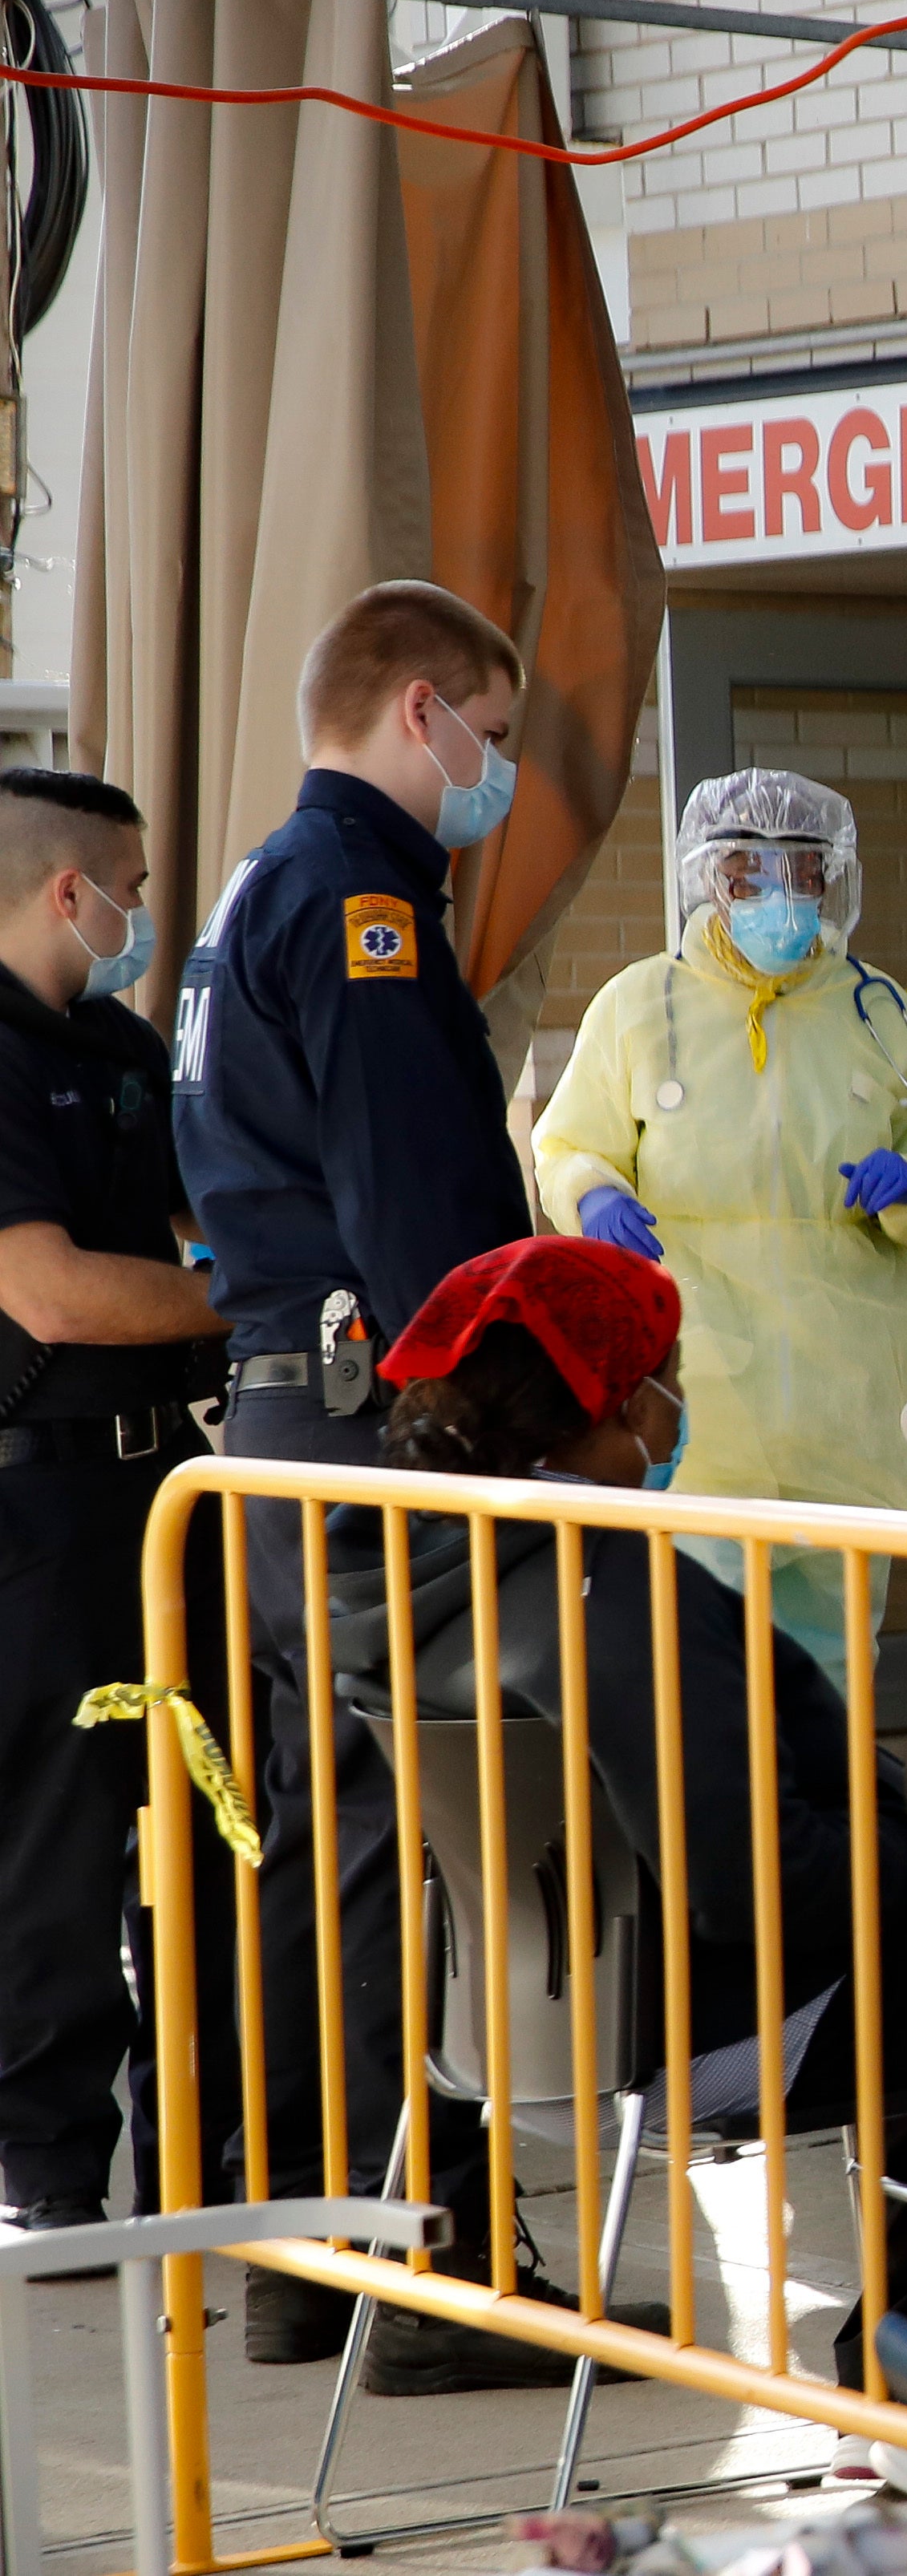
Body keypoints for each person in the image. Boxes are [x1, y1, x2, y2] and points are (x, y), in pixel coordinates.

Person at [362, 1237, 907, 2411]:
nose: (681, 1405)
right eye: (673, 1377)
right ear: (627, 1403)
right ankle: (903, 2381)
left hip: (496, 2035)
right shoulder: (618, 1592)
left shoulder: (407, 1567)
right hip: (680, 2034)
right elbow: (754, 1886)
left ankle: (905, 2376)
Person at [167, 579, 542, 2382]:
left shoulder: (258, 886)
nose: (501, 770)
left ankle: (310, 2254)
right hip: (377, 1426)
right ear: (419, 710)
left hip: (280, 1425)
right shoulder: (359, 901)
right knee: (421, 1839)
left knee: (326, 1849)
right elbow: (418, 1217)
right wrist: (534, 1402)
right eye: (495, 731)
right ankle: (430, 2269)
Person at [534, 770, 907, 1684]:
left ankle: (833, 1782)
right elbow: (568, 1142)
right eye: (749, 872)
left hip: (844, 1398)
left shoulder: (879, 1013)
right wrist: (592, 1193)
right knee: (704, 1661)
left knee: (832, 1669)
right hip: (702, 1400)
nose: (779, 895)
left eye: (801, 872)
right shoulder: (641, 1005)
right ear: (709, 876)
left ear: (830, 877)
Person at [0, 770, 221, 2270]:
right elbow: (53, 1292)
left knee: (207, 1811)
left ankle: (210, 2139)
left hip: (163, 1480)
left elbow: (199, 1211)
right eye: (131, 891)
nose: (143, 916)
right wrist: (242, 1303)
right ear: (67, 890)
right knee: (60, 1839)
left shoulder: (125, 1046)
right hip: (39, 1497)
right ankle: (51, 2166)